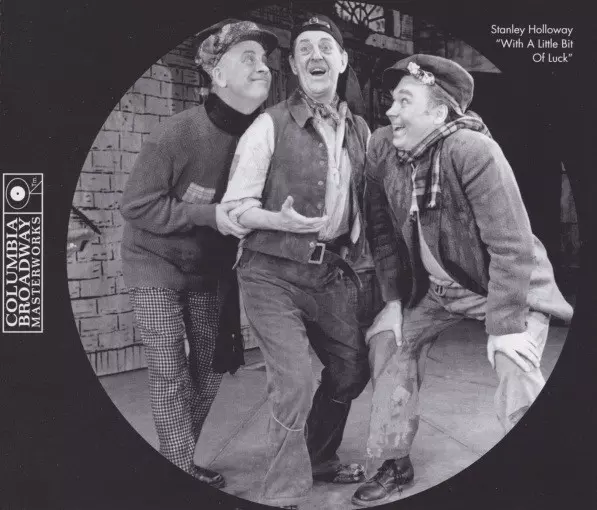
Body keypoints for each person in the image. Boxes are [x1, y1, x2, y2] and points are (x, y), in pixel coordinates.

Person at [351, 54, 574, 507]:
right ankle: (394, 461)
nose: (390, 110)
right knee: (388, 343)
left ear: (438, 112)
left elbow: (511, 245)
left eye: (404, 101)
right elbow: (381, 232)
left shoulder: (472, 150)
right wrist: (393, 303)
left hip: (505, 286)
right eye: (391, 100)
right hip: (436, 290)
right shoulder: (383, 148)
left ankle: (542, 468)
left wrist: (504, 326)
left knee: (514, 364)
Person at [220, 14, 373, 509]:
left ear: (343, 60)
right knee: (295, 381)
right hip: (270, 272)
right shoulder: (269, 124)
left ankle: (320, 456)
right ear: (292, 64)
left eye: (325, 47)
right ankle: (283, 491)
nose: (315, 55)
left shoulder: (361, 130)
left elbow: (368, 208)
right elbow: (234, 209)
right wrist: (277, 220)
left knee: (351, 368)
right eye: (304, 48)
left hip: (328, 273)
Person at [119, 21, 278, 487]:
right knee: (170, 369)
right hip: (154, 263)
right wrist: (209, 215)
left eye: (264, 59)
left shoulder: (266, 134)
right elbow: (136, 206)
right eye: (247, 57)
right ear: (217, 74)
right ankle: (178, 466)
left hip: (211, 269)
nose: (262, 66)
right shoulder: (178, 134)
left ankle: (177, 458)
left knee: (209, 369)